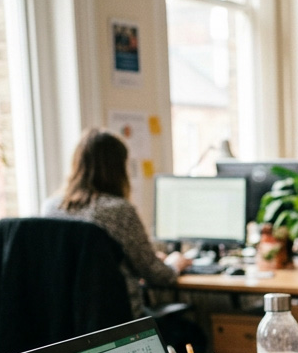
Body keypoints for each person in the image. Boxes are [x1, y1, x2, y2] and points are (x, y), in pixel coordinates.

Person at [44, 128, 190, 318]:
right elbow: (157, 275)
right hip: (118, 319)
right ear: (118, 168)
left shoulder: (51, 207)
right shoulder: (119, 210)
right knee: (192, 331)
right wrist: (174, 264)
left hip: (68, 320)